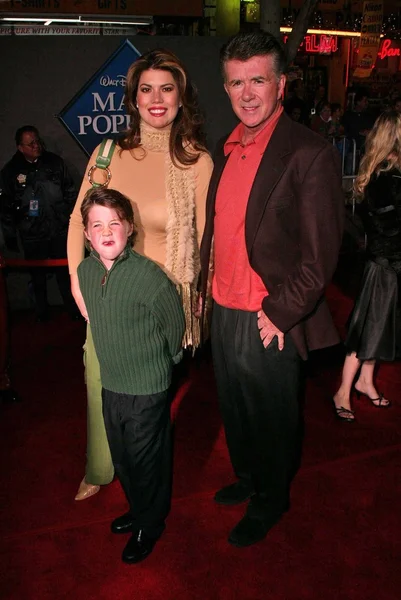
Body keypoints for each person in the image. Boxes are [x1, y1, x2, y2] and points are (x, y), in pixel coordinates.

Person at [200, 31, 344, 548]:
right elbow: (220, 228)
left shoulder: (308, 152)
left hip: (269, 314)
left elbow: (321, 253)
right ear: (225, 88)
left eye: (258, 79)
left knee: (272, 416)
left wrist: (281, 311)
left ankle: (272, 498)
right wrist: (205, 287)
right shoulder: (228, 146)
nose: (247, 92)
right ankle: (248, 478)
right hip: (224, 305)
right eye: (236, 82)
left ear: (281, 84)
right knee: (235, 407)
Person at [67, 49, 213, 501]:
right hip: (109, 292)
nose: (156, 98)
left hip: (160, 303)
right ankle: (100, 466)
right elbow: (78, 221)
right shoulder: (108, 154)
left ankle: (147, 495)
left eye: (166, 88)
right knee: (98, 380)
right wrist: (78, 282)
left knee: (146, 402)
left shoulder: (196, 161)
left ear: (180, 97)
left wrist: (200, 299)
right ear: (132, 99)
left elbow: (206, 240)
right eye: (146, 88)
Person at [78, 187, 184, 563]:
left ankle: (151, 523)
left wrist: (168, 359)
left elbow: (174, 323)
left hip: (146, 387)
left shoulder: (148, 277)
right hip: (113, 385)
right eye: (97, 225)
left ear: (129, 228)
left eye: (114, 223)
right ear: (87, 233)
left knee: (145, 460)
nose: (106, 231)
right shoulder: (85, 271)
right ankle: (139, 509)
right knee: (123, 458)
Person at [333, 111, 401, 420]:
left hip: (392, 264)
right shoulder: (384, 177)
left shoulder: (388, 173)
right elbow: (387, 224)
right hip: (384, 265)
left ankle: (365, 381)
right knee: (366, 330)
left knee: (381, 329)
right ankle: (343, 390)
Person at [0, 126, 78, 321]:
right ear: (20, 147)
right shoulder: (10, 172)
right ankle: (41, 313)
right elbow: (5, 207)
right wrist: (10, 237)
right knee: (37, 277)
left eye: (37, 141)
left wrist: (66, 218)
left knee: (64, 275)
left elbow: (70, 191)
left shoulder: (54, 162)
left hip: (58, 230)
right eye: (31, 143)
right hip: (32, 234)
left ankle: (73, 312)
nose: (36, 145)